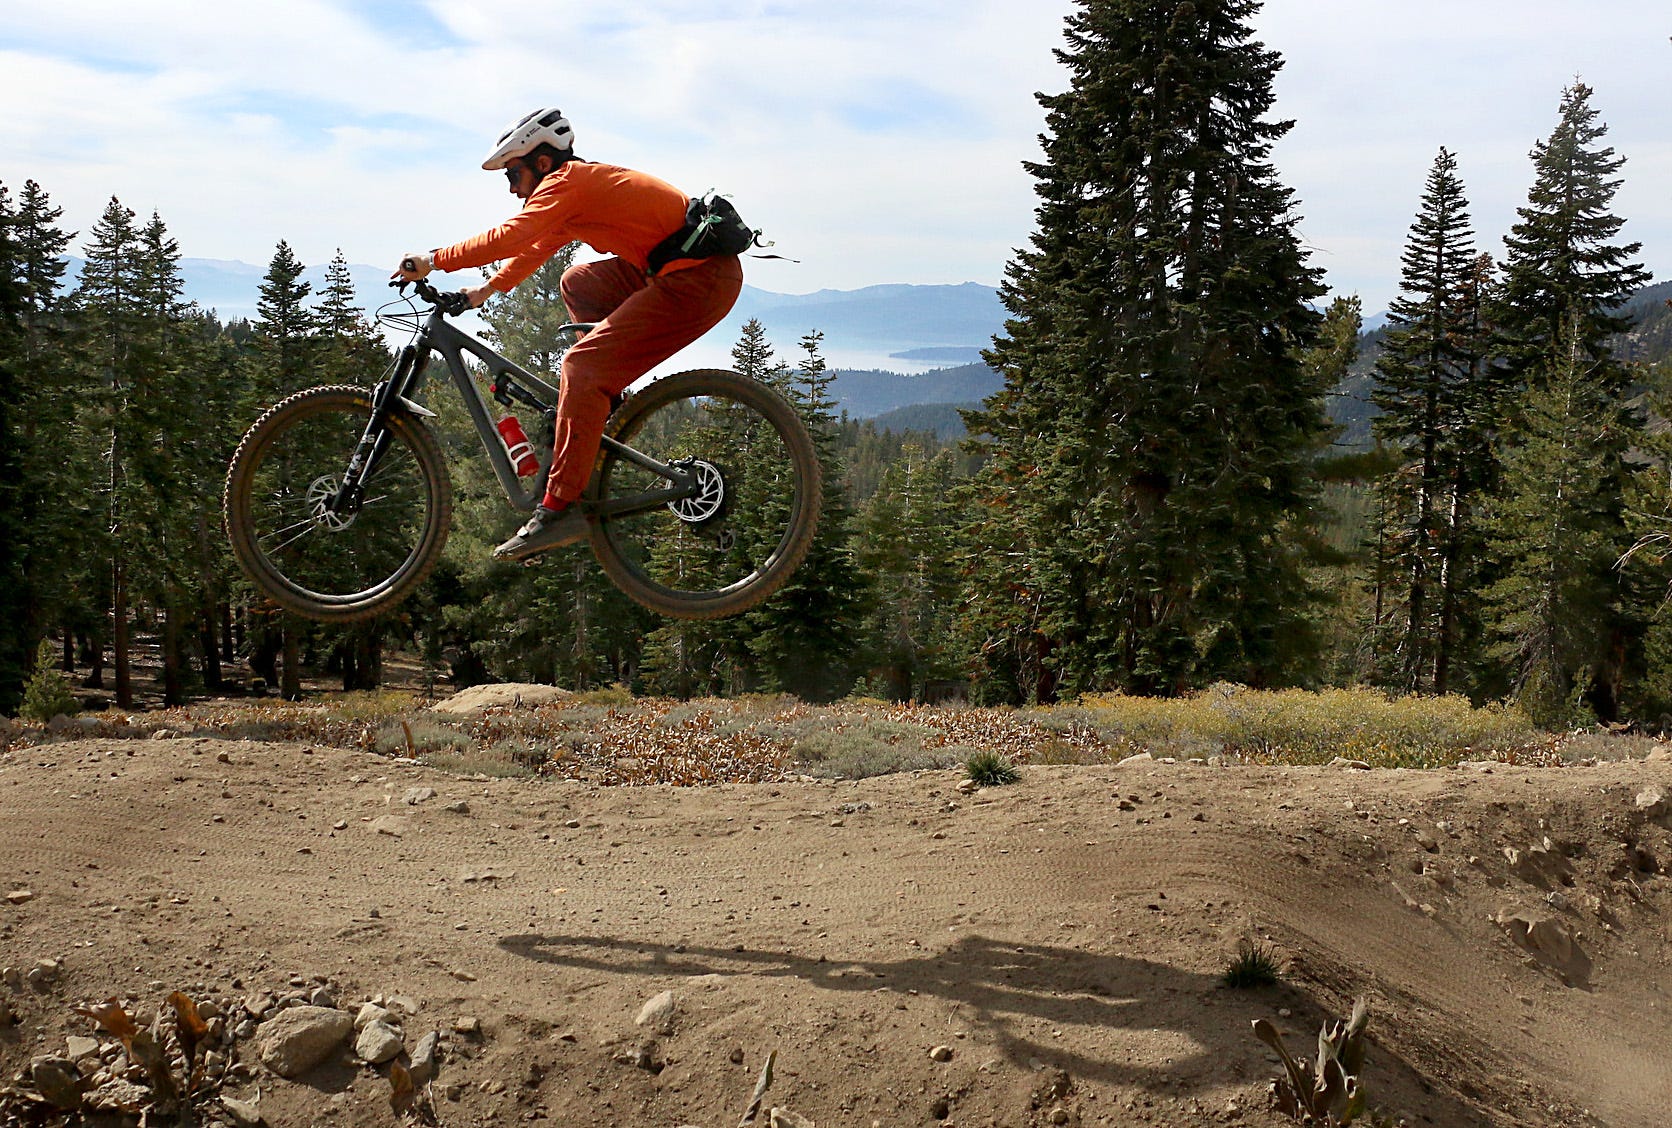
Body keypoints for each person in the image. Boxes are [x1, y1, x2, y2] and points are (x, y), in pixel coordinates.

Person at [392, 108, 744, 560]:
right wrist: (483, 290)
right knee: (577, 282)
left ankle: (559, 508)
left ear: (542, 163)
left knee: (580, 367)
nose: (511, 186)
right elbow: (534, 246)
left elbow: (510, 236)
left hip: (698, 280)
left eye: (513, 173)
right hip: (678, 271)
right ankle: (600, 402)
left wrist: (435, 258)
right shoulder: (576, 188)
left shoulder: (565, 185)